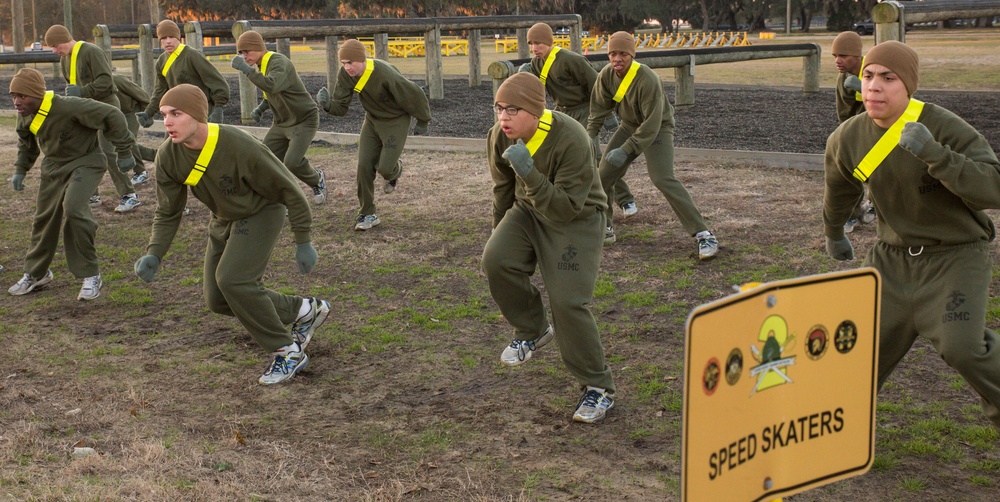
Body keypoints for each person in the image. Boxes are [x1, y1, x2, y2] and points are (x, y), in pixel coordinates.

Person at [823, 41, 1000, 431]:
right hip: (892, 260)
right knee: (855, 346)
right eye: (868, 76)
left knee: (964, 348)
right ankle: (834, 428)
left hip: (956, 256)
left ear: (908, 87)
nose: (874, 87)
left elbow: (993, 188)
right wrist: (834, 230)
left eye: (888, 78)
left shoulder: (942, 125)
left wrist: (936, 154)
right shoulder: (847, 138)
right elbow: (840, 190)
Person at [133, 84, 330, 385]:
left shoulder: (239, 144)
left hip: (262, 211)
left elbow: (291, 191)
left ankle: (288, 352)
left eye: (176, 113)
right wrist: (154, 252)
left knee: (233, 280)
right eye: (163, 115)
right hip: (224, 219)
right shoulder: (168, 157)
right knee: (218, 299)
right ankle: (304, 309)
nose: (168, 122)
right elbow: (168, 211)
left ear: (198, 115)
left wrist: (303, 240)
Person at [482, 72, 616, 423]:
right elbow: (502, 189)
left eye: (513, 109)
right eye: (499, 108)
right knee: (495, 260)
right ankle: (532, 330)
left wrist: (529, 172)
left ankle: (598, 388)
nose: (503, 118)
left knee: (568, 302)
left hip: (577, 220)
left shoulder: (572, 138)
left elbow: (566, 208)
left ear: (537, 110)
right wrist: (501, 234)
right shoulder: (499, 137)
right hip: (528, 211)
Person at [587, 32, 719, 259]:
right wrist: (588, 138)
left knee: (662, 178)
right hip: (630, 125)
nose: (617, 58)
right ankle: (605, 227)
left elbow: (651, 123)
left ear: (631, 55)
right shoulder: (606, 76)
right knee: (604, 175)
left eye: (622, 54)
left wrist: (627, 149)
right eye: (612, 53)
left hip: (658, 127)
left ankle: (703, 234)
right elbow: (597, 111)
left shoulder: (647, 78)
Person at [7, 68, 135, 300]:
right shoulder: (25, 113)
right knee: (43, 219)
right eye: (13, 96)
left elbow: (111, 114)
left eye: (22, 96)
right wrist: (20, 170)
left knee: (74, 208)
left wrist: (124, 150)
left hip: (86, 162)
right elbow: (27, 145)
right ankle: (37, 273)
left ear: (37, 94)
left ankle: (91, 275)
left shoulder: (69, 106)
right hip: (54, 168)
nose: (16, 101)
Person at [519, 22, 638, 218]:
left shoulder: (570, 60)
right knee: (558, 154)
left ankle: (625, 200)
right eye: (531, 43)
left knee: (593, 156)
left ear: (549, 41)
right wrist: (523, 75)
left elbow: (597, 85)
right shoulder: (536, 63)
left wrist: (607, 115)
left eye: (538, 43)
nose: (534, 48)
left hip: (586, 110)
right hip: (562, 112)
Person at [315, 39, 431, 230]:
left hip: (395, 120)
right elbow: (341, 107)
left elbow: (414, 93)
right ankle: (367, 213)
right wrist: (327, 105)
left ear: (362, 59)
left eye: (350, 62)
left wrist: (423, 120)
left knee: (384, 168)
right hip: (372, 120)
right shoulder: (346, 75)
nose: (346, 67)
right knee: (364, 166)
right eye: (343, 63)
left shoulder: (384, 73)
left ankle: (395, 170)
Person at [43, 24, 142, 213]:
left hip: (105, 108)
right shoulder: (65, 59)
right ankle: (92, 194)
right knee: (83, 152)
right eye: (52, 48)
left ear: (65, 39)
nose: (55, 51)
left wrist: (83, 91)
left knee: (108, 152)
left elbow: (107, 81)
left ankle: (130, 195)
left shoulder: (91, 51)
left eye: (56, 46)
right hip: (84, 111)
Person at [232, 30, 327, 205]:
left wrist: (245, 70)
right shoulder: (263, 64)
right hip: (282, 123)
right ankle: (273, 199)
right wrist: (261, 108)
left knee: (292, 162)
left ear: (259, 48)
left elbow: (272, 85)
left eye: (247, 51)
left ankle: (316, 179)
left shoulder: (278, 62)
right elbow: (272, 94)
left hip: (303, 119)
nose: (244, 57)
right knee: (263, 160)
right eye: (241, 53)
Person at [137, 19, 229, 127]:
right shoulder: (161, 62)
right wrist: (148, 113)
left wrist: (218, 109)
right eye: (163, 38)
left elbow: (217, 82)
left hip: (200, 113)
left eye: (171, 37)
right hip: (177, 114)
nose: (168, 41)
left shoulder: (192, 55)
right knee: (171, 143)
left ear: (178, 38)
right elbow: (160, 91)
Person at [831, 30, 875, 233]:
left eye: (843, 56)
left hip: (883, 129)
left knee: (882, 173)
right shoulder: (843, 79)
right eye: (835, 56)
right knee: (850, 172)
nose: (837, 61)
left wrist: (863, 90)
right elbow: (845, 114)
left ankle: (875, 206)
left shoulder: (874, 72)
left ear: (857, 56)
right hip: (857, 130)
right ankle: (852, 213)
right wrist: (848, 139)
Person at [112, 74, 159, 186]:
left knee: (127, 139)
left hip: (130, 111)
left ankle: (140, 172)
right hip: (114, 114)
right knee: (116, 144)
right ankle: (156, 156)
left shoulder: (118, 80)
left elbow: (142, 95)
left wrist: (148, 114)